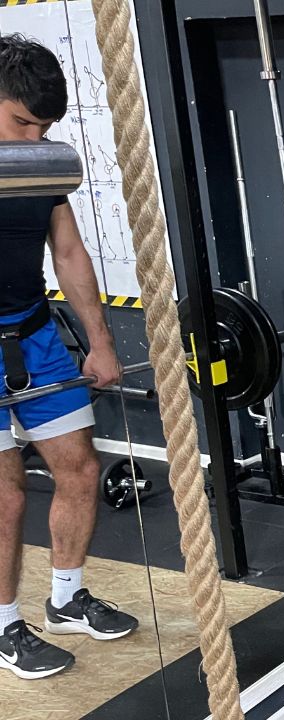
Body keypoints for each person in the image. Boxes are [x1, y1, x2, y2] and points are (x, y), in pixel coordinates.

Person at [0, 33, 137, 680]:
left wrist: (102, 340)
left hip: (34, 332)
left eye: (45, 126)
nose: (34, 138)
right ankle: (3, 628)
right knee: (5, 495)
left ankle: (65, 599)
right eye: (21, 121)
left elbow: (70, 251)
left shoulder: (41, 164)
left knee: (79, 469)